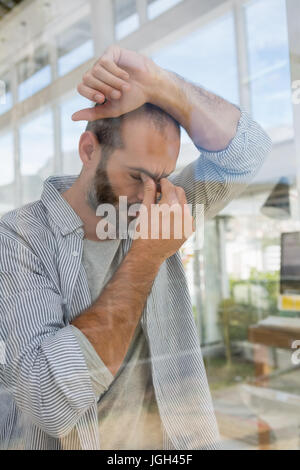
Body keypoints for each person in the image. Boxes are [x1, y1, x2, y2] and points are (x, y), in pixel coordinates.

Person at [0, 46, 272, 450]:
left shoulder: (157, 206)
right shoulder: (18, 236)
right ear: (89, 150)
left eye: (161, 179)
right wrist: (148, 255)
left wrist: (161, 84)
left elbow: (246, 153)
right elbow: (49, 401)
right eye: (135, 176)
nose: (151, 198)